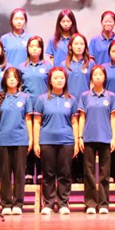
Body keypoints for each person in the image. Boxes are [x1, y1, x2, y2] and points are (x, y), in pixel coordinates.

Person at [33, 66, 80, 215]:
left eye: (62, 78)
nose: (59, 80)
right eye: (56, 78)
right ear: (50, 81)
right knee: (48, 174)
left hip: (66, 141)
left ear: (65, 80)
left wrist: (76, 141)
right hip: (46, 140)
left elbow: (74, 122)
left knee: (64, 173)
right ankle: (48, 204)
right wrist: (36, 142)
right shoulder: (42, 99)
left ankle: (63, 203)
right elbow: (37, 122)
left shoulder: (71, 100)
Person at [0, 67, 33, 215]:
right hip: (3, 139)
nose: (12, 79)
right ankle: (6, 203)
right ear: (4, 80)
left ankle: (18, 203)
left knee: (20, 173)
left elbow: (28, 119)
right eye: (9, 77)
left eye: (14, 77)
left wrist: (30, 138)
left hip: (20, 139)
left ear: (19, 80)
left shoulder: (25, 97)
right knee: (5, 173)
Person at [77, 65, 115, 214]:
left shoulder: (111, 96)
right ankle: (90, 204)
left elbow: (113, 118)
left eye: (101, 74)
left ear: (105, 77)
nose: (98, 77)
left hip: (105, 138)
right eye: (95, 74)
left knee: (104, 173)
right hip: (88, 138)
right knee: (88, 172)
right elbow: (82, 117)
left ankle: (104, 204)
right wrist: (80, 137)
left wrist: (113, 137)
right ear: (91, 78)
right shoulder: (85, 96)